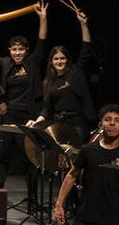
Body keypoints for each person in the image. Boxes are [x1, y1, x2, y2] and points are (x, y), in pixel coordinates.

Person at [0, 3, 48, 185]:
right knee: (3, 153)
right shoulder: (6, 63)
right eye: (14, 49)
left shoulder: (32, 62)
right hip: (9, 116)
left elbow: (42, 41)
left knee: (30, 155)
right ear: (10, 51)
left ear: (26, 50)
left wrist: (42, 18)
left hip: (29, 117)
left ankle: (33, 195)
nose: (17, 52)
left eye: (21, 49)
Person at [29, 9, 94, 144]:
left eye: (62, 58)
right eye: (56, 59)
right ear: (51, 62)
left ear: (67, 60)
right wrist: (37, 122)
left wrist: (83, 24)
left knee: (75, 157)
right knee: (60, 160)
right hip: (58, 124)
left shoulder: (76, 72)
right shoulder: (49, 82)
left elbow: (86, 48)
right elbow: (47, 109)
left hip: (77, 123)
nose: (59, 61)